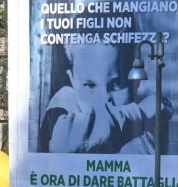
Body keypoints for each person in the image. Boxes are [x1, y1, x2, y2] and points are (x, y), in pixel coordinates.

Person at [37, 38, 171, 154]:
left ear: (136, 80)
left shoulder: (150, 121)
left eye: (117, 83)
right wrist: (139, 112)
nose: (103, 100)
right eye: (90, 85)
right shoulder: (63, 102)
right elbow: (93, 130)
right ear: (72, 81)